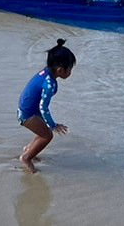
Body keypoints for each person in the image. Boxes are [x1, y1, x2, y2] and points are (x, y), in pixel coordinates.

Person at [18, 39, 76, 173]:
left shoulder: (46, 72)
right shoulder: (48, 85)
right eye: (70, 69)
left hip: (28, 108)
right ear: (60, 70)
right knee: (47, 135)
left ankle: (29, 149)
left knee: (42, 131)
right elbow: (44, 107)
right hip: (27, 113)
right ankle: (26, 157)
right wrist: (53, 125)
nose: (71, 72)